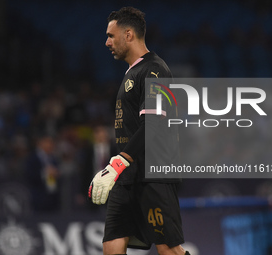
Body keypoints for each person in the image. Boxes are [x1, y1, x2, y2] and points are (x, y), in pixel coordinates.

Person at [88, 7, 190, 255]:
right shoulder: (132, 72)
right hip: (126, 177)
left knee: (169, 250)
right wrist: (118, 167)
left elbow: (153, 124)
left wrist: (119, 162)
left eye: (111, 36)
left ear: (129, 34)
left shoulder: (155, 70)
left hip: (152, 175)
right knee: (112, 245)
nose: (107, 42)